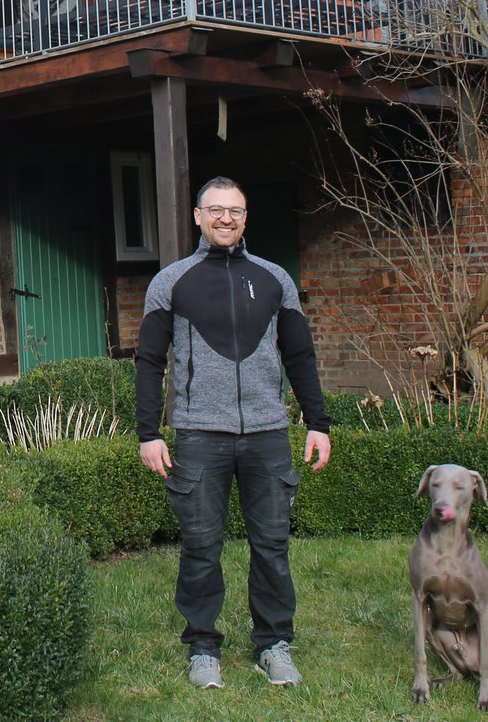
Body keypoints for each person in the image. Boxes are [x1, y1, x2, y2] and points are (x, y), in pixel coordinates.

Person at [134, 176, 331, 690]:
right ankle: (203, 647)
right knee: (201, 546)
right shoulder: (172, 281)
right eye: (216, 209)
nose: (226, 218)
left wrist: (317, 422)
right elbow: (150, 361)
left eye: (236, 210)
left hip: (267, 432)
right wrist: (149, 433)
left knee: (272, 545)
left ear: (246, 217)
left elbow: (300, 356)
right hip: (200, 434)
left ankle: (274, 644)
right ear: (197, 217)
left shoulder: (274, 279)